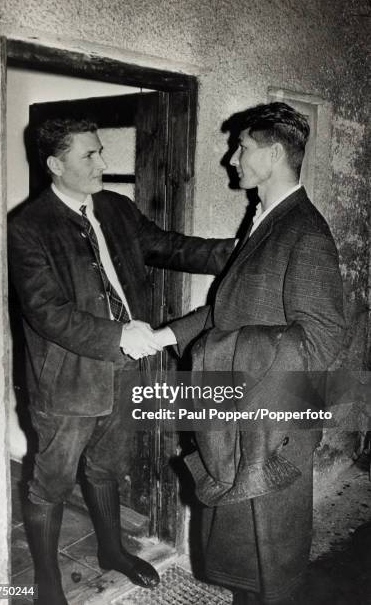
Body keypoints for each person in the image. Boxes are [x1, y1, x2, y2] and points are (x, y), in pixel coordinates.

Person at [8, 116, 235, 605]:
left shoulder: (115, 208)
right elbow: (48, 313)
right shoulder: (27, 227)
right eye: (89, 154)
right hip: (67, 381)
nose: (102, 163)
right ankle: (47, 583)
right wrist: (120, 336)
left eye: (100, 151)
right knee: (51, 484)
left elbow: (170, 246)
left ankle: (111, 551)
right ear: (55, 163)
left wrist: (238, 251)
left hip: (126, 370)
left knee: (107, 468)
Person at [165, 102, 347, 604]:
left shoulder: (304, 231)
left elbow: (325, 339)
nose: (231, 158)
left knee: (272, 560)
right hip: (242, 413)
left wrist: (222, 349)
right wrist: (164, 336)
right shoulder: (265, 217)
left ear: (270, 154)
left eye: (241, 148)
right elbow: (231, 308)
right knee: (243, 555)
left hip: (273, 424)